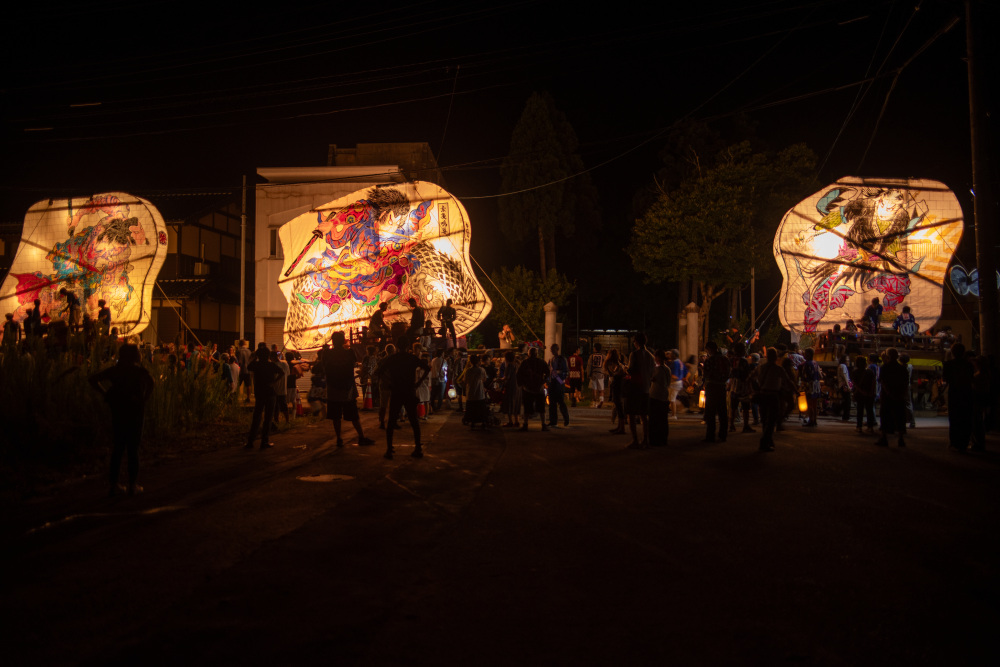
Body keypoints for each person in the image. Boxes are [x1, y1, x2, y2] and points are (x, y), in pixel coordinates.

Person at [88, 343, 154, 496]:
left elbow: (93, 379)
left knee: (118, 448)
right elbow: (151, 382)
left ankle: (114, 484)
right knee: (133, 448)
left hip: (118, 410)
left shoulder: (115, 371)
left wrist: (105, 394)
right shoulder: (138, 371)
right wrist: (144, 398)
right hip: (135, 410)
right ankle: (132, 484)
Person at [321, 331, 375, 447]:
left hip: (333, 389)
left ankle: (339, 439)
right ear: (343, 341)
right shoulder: (349, 352)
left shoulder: (327, 353)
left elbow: (324, 366)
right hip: (347, 389)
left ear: (333, 341)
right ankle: (361, 437)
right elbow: (353, 364)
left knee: (336, 416)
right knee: (353, 415)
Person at [379, 337, 430, 459]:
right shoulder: (411, 358)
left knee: (391, 421)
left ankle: (389, 449)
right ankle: (418, 448)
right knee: (414, 421)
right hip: (409, 391)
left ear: (397, 346)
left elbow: (379, 371)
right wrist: (418, 383)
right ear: (408, 347)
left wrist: (389, 382)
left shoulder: (393, 359)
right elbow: (427, 368)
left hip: (396, 391)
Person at [755, 347, 793, 452]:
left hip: (763, 394)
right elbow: (788, 381)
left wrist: (755, 389)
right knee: (771, 420)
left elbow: (751, 378)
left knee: (764, 420)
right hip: (773, 395)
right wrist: (795, 390)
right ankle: (765, 441)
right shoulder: (778, 369)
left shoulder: (761, 368)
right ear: (776, 357)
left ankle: (768, 440)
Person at [245, 344, 283, 450]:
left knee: (256, 417)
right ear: (268, 355)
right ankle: (264, 442)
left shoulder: (256, 365)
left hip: (259, 393)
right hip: (270, 393)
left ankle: (250, 442)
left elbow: (249, 366)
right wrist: (273, 382)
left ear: (258, 355)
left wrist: (256, 357)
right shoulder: (271, 365)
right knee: (268, 418)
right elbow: (282, 373)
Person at [942, 343, 974, 452]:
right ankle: (964, 442)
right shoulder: (969, 365)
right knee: (965, 417)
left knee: (954, 417)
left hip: (954, 391)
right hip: (966, 392)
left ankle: (954, 441)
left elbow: (945, 378)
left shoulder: (949, 364)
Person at [625, 333, 655, 449]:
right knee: (644, 415)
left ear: (636, 342)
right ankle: (645, 439)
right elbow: (652, 373)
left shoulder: (634, 354)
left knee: (631, 414)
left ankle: (635, 440)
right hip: (646, 388)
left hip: (635, 387)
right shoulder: (650, 356)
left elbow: (631, 370)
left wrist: (625, 370)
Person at [876, 347, 909, 447]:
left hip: (887, 396)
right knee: (899, 417)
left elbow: (883, 382)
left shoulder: (885, 368)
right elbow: (905, 383)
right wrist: (902, 394)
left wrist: (889, 393)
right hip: (899, 395)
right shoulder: (902, 368)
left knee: (885, 416)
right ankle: (901, 438)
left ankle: (884, 437)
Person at [701, 341, 730, 443]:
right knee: (722, 411)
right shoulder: (725, 359)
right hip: (722, 386)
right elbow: (728, 373)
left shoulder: (710, 360)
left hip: (712, 386)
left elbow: (706, 374)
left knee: (711, 412)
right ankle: (723, 434)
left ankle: (710, 435)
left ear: (709, 349)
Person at [516, 347, 549, 431]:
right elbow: (548, 373)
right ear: (536, 354)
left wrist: (521, 384)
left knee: (527, 407)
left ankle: (525, 424)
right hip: (539, 388)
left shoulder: (525, 362)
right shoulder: (541, 362)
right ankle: (543, 425)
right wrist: (543, 381)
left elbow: (519, 374)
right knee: (541, 408)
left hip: (528, 388)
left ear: (528, 354)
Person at [647, 349, 671, 447]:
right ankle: (663, 439)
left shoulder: (657, 369)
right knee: (663, 420)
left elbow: (652, 378)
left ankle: (654, 440)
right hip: (664, 396)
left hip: (655, 396)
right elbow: (668, 382)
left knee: (653, 420)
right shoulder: (667, 369)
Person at [463, 354, 490, 428]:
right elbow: (484, 379)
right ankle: (483, 422)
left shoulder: (468, 371)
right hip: (479, 393)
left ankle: (472, 422)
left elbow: (465, 381)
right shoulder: (481, 370)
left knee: (472, 409)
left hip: (470, 393)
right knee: (481, 408)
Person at [547, 343, 570, 428]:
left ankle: (566, 419)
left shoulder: (561, 359)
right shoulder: (552, 359)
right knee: (552, 403)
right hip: (553, 382)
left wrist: (560, 381)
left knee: (561, 402)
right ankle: (553, 421)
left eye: (553, 349)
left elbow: (566, 371)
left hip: (559, 382)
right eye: (551, 349)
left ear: (557, 349)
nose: (552, 351)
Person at [853, 355, 877, 434]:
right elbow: (873, 382)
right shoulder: (869, 372)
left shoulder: (855, 372)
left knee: (860, 410)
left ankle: (859, 426)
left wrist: (861, 391)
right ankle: (870, 427)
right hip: (869, 393)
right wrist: (871, 392)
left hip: (860, 393)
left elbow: (855, 384)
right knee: (869, 410)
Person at [605, 349, 626, 434]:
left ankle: (621, 428)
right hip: (619, 384)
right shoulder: (619, 363)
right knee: (618, 405)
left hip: (617, 384)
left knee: (618, 405)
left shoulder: (612, 363)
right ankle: (620, 426)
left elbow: (613, 373)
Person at [799, 347, 820, 428]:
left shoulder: (807, 364)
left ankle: (811, 420)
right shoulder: (815, 363)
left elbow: (806, 376)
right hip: (816, 384)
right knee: (814, 404)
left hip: (810, 385)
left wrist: (803, 384)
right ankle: (814, 420)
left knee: (810, 404)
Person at [500, 351, 521, 428]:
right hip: (518, 386)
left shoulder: (510, 366)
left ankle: (510, 421)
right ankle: (517, 421)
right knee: (516, 403)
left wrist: (499, 380)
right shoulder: (518, 364)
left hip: (511, 386)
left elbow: (506, 377)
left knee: (509, 403)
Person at [587, 343, 606, 408]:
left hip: (594, 374)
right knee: (601, 390)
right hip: (600, 374)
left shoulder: (592, 356)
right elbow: (606, 365)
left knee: (594, 389)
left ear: (595, 348)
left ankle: (594, 402)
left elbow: (589, 366)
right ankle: (601, 400)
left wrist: (588, 373)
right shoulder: (603, 356)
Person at [837, 352, 852, 423]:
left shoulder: (840, 366)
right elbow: (845, 376)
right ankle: (845, 416)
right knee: (847, 401)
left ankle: (840, 411)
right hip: (844, 385)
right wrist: (848, 386)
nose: (848, 362)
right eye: (847, 360)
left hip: (842, 385)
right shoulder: (843, 366)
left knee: (846, 401)